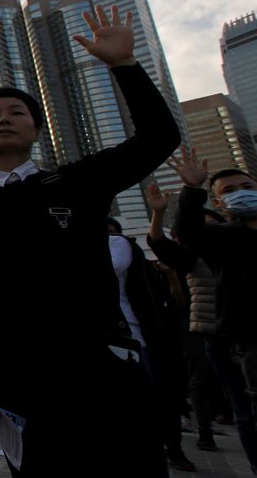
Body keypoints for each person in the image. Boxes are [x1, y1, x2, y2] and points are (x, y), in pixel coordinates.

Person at [0, 5, 177, 477]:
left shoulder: (76, 183)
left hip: (100, 363)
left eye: (16, 112)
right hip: (16, 373)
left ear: (36, 128)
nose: (3, 118)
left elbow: (158, 138)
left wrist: (125, 66)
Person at [145, 181, 257, 463]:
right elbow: (161, 243)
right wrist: (159, 213)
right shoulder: (193, 255)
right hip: (211, 330)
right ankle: (206, 430)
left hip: (240, 328)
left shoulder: (237, 245)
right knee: (227, 394)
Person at [170, 150, 257, 476]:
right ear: (219, 203)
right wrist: (192, 189)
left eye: (246, 186)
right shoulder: (223, 238)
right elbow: (188, 233)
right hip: (248, 337)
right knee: (248, 411)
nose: (240, 193)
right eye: (229, 191)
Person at [106, 217, 195, 472]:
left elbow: (111, 269)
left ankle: (171, 449)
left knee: (155, 400)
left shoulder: (117, 244)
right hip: (111, 342)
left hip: (134, 339)